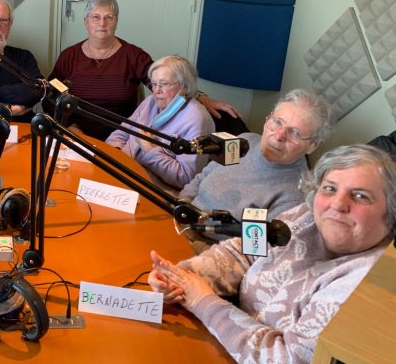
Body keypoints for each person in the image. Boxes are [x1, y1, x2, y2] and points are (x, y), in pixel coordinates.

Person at [149, 144, 396, 363]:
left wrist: (202, 301)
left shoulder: (370, 283)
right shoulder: (306, 215)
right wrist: (183, 278)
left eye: (360, 196)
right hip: (216, 341)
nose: (338, 204)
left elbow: (289, 359)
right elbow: (244, 252)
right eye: (330, 188)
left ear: (391, 213)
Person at [49, 0, 241, 140]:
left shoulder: (133, 56)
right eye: (95, 17)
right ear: (86, 22)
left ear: (116, 21)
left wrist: (201, 98)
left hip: (123, 137)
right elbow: (50, 95)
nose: (102, 23)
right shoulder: (69, 57)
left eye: (109, 17)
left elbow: (167, 84)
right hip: (75, 136)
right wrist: (70, 127)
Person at [178, 88, 334, 251]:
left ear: (313, 145)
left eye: (295, 133)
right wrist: (179, 206)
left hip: (207, 249)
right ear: (268, 119)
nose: (279, 136)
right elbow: (200, 178)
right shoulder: (245, 141)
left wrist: (193, 243)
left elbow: (251, 251)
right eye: (277, 122)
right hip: (181, 218)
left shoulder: (296, 195)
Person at [105, 56, 215, 190]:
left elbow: (186, 179)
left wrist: (149, 150)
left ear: (184, 87)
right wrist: (116, 154)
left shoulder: (196, 119)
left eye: (164, 84)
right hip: (122, 172)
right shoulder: (150, 102)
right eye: (154, 84)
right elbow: (120, 133)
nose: (156, 91)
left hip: (152, 188)